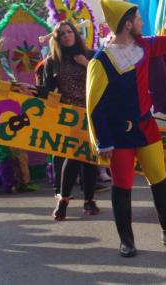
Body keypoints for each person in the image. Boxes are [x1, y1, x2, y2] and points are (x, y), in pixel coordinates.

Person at [87, 0, 166, 257]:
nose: (142, 22)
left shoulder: (143, 45)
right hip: (118, 135)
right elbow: (95, 106)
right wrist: (103, 141)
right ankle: (126, 240)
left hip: (146, 128)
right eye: (137, 19)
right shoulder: (101, 60)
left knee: (159, 180)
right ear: (127, 23)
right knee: (122, 187)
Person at [36, 21, 100, 219]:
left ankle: (89, 200)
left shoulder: (90, 55)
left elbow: (104, 79)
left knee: (90, 159)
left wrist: (86, 64)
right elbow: (47, 90)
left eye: (69, 31)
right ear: (57, 39)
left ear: (75, 33)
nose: (66, 35)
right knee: (72, 157)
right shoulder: (52, 61)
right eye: (62, 34)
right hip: (69, 116)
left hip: (92, 113)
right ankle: (63, 200)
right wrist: (25, 90)